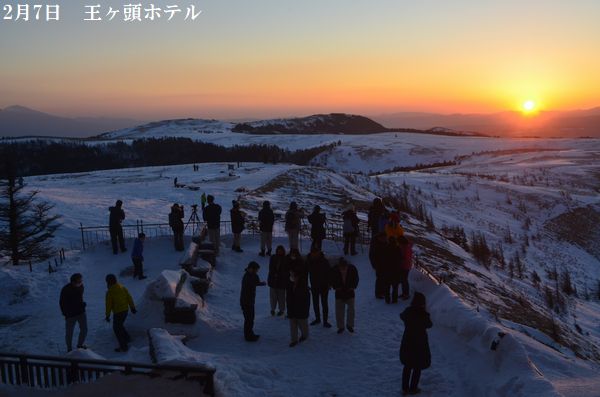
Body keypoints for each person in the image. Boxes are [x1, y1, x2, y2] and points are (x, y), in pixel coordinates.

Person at [400, 292, 432, 395]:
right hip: (420, 344)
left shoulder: (408, 312)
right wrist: (425, 312)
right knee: (417, 367)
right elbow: (429, 325)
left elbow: (402, 316)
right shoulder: (423, 315)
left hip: (408, 341)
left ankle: (405, 388)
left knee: (407, 366)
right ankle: (413, 388)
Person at [105, 274, 137, 352]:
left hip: (118, 312)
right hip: (125, 310)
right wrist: (132, 307)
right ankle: (127, 338)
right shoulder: (122, 287)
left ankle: (123, 346)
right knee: (119, 325)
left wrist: (107, 315)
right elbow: (129, 297)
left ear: (108, 282)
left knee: (116, 329)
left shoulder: (110, 292)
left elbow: (108, 305)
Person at [330, 257, 359, 334]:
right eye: (341, 267)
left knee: (351, 310)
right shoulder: (334, 270)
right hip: (339, 292)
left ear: (347, 266)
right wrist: (335, 287)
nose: (343, 269)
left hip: (350, 292)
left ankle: (350, 325)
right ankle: (341, 327)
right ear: (339, 266)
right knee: (339, 311)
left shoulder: (352, 269)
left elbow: (356, 278)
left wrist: (353, 286)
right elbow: (331, 279)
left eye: (344, 267)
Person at [59, 273, 87, 352]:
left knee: (84, 329)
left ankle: (80, 345)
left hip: (81, 312)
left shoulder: (81, 286)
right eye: (78, 281)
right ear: (73, 282)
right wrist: (65, 313)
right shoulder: (65, 290)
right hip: (70, 315)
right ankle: (69, 349)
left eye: (81, 281)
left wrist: (82, 305)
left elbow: (79, 298)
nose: (80, 283)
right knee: (69, 332)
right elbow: (62, 303)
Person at [240, 261, 266, 342]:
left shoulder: (251, 275)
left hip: (250, 301)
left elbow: (255, 282)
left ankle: (250, 334)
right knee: (249, 319)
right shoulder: (248, 276)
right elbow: (254, 283)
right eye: (256, 270)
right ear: (251, 268)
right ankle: (248, 336)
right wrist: (261, 283)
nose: (256, 272)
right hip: (246, 301)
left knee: (250, 319)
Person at [307, 247, 332, 327]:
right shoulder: (309, 261)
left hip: (324, 285)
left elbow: (329, 273)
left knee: (324, 304)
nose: (314, 254)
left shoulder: (324, 261)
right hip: (314, 285)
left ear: (318, 252)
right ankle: (317, 319)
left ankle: (325, 321)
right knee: (315, 303)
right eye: (312, 252)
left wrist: (329, 284)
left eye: (315, 252)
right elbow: (305, 272)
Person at [286, 269, 310, 347]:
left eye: (293, 275)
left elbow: (305, 300)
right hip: (292, 308)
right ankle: (294, 340)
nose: (291, 277)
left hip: (301, 309)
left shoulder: (303, 286)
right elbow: (288, 296)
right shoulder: (290, 284)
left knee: (303, 325)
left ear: (297, 277)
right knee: (293, 325)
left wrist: (305, 310)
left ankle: (304, 335)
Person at [267, 245, 289, 316]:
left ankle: (281, 310)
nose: (280, 252)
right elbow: (271, 268)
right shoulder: (273, 257)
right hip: (273, 280)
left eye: (281, 250)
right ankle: (272, 309)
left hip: (282, 281)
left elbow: (286, 270)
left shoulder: (285, 259)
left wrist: (280, 274)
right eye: (278, 250)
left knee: (281, 297)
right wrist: (274, 274)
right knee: (273, 297)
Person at [383, 237, 403, 303]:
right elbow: (401, 259)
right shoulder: (398, 249)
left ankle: (387, 299)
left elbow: (383, 259)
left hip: (387, 270)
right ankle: (394, 299)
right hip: (396, 270)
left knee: (387, 286)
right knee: (395, 286)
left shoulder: (385, 248)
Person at [369, 232, 388, 299]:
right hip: (379, 264)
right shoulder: (375, 245)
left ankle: (383, 291)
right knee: (380, 278)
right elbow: (372, 255)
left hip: (384, 264)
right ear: (380, 238)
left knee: (384, 278)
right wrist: (374, 265)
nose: (385, 239)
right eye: (384, 238)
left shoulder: (384, 243)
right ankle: (378, 293)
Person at [398, 236, 414, 300]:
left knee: (404, 280)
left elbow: (406, 258)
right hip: (406, 265)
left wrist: (400, 260)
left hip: (405, 266)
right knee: (403, 280)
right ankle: (404, 293)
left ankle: (406, 294)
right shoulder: (406, 246)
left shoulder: (406, 248)